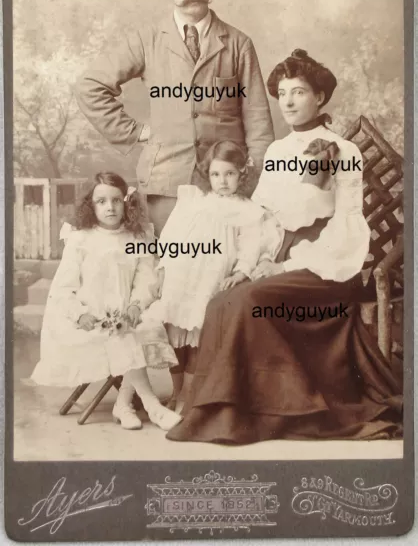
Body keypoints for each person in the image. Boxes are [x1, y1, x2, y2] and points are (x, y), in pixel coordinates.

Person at [166, 49, 403, 445]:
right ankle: (225, 410)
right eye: (283, 92)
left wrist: (283, 267)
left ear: (320, 98)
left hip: (325, 265)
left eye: (299, 92)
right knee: (221, 299)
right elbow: (264, 217)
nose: (289, 101)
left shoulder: (339, 151)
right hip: (278, 258)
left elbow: (341, 220)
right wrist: (253, 263)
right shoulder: (275, 152)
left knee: (248, 302)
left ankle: (272, 413)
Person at [75, 0, 274, 236]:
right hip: (166, 180)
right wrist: (135, 131)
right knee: (169, 266)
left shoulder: (238, 43)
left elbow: (257, 118)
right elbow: (89, 86)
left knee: (226, 268)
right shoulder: (148, 40)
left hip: (225, 181)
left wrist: (254, 177)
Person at [31, 172, 181, 432]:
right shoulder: (81, 239)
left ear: (127, 202)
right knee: (122, 336)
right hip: (87, 319)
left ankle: (123, 404)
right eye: (101, 201)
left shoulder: (138, 236)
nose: (110, 207)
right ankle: (153, 406)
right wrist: (80, 315)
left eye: (116, 200)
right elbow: (63, 290)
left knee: (139, 329)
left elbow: (146, 280)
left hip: (126, 314)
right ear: (92, 204)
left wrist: (135, 305)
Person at [143, 140, 283, 410]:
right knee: (175, 332)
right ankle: (176, 391)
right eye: (216, 174)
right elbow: (173, 237)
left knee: (197, 332)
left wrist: (242, 271)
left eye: (229, 174)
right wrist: (163, 268)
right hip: (182, 275)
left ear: (242, 173)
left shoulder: (248, 210)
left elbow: (251, 245)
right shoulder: (194, 202)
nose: (222, 181)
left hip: (211, 277)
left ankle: (188, 395)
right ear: (207, 175)